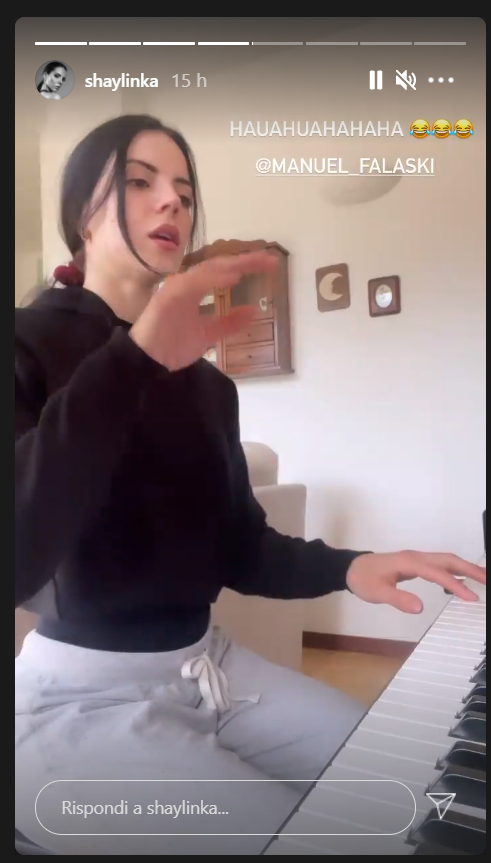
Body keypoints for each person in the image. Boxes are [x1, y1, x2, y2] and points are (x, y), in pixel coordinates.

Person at [15, 114, 485, 855]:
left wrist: (352, 566)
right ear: (82, 212)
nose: (171, 203)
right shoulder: (23, 342)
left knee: (409, 789)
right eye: (138, 182)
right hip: (76, 699)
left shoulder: (208, 385)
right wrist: (134, 359)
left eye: (185, 192)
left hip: (212, 665)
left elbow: (238, 546)